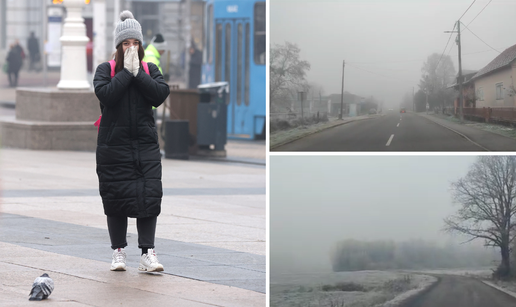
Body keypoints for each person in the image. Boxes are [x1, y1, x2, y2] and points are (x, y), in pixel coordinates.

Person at [93, 10, 170, 272]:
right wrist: (126, 73)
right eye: (126, 43)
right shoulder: (106, 69)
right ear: (118, 46)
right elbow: (106, 95)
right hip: (113, 148)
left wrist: (139, 74)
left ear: (141, 45)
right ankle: (118, 252)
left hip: (145, 147)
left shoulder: (149, 69)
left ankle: (148, 253)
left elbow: (160, 94)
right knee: (116, 198)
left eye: (135, 43)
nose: (131, 48)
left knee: (149, 196)